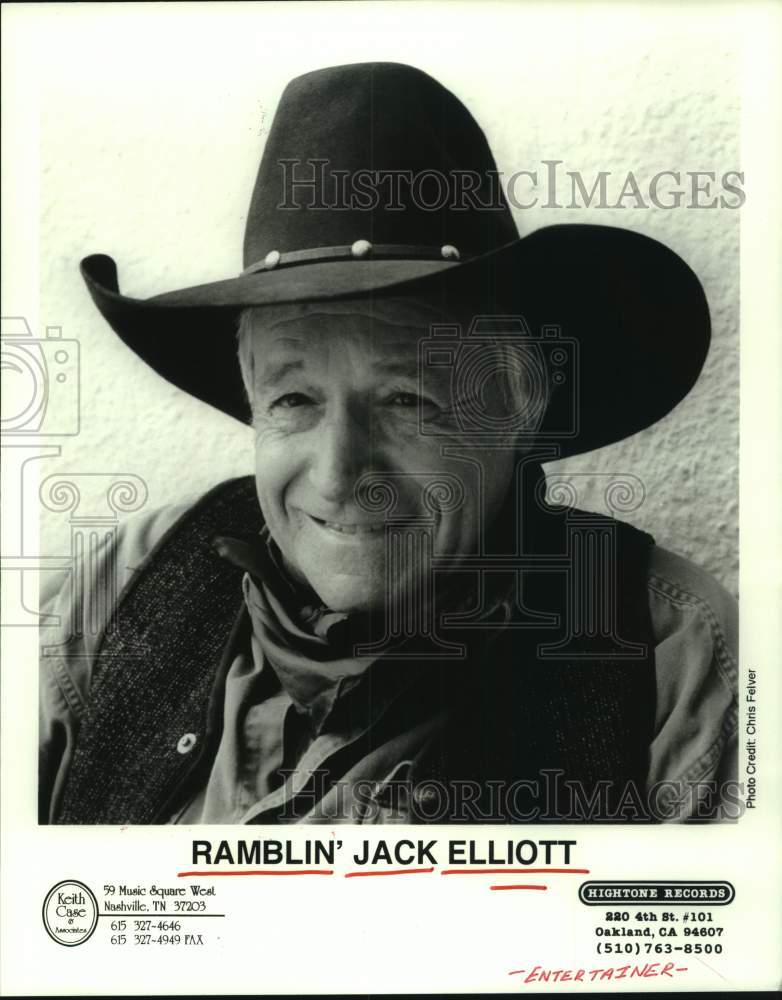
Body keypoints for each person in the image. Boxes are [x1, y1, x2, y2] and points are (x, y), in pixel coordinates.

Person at [39, 62, 738, 825]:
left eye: (408, 400)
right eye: (295, 398)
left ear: (518, 412)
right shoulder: (128, 577)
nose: (339, 475)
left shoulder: (668, 651)